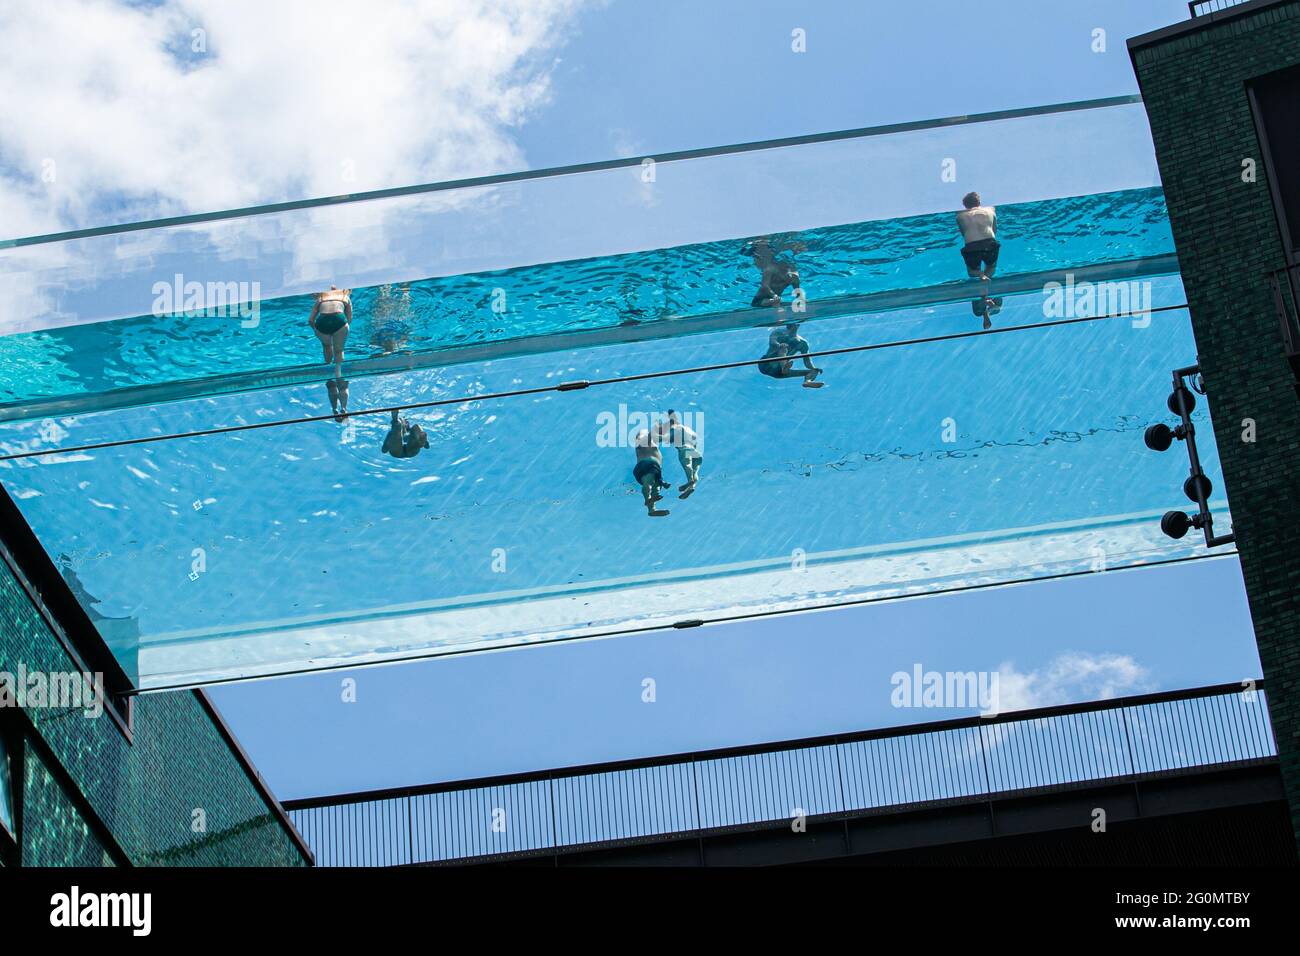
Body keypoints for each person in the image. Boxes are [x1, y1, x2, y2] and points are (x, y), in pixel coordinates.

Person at [956, 192, 1001, 330]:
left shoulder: (960, 215)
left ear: (964, 205)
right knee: (991, 268)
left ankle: (980, 275)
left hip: (972, 245)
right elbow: (995, 229)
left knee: (972, 272)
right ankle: (986, 303)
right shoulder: (990, 210)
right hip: (989, 242)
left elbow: (963, 232)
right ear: (979, 202)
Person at [653, 410, 703, 499]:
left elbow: (668, 438)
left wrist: (655, 437)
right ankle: (691, 487)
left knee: (687, 465)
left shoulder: (675, 428)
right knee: (695, 471)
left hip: (685, 449)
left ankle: (690, 481)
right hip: (697, 453)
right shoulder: (688, 429)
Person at [757, 323, 823, 387]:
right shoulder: (778, 332)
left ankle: (807, 381)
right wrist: (779, 345)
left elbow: (807, 362)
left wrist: (814, 368)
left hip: (779, 373)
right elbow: (772, 342)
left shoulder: (803, 343)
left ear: (798, 325)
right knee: (783, 347)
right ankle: (783, 367)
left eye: (794, 323)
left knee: (814, 371)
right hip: (766, 364)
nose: (790, 325)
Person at [746, 237, 804, 308]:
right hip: (759, 301)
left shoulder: (794, 275)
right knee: (774, 301)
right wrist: (774, 296)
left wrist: (800, 298)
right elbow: (765, 286)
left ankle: (776, 303)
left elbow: (797, 289)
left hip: (775, 300)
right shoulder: (770, 269)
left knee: (779, 302)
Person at [308, 286, 352, 374]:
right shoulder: (344, 297)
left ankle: (328, 368)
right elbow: (349, 318)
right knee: (339, 350)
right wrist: (342, 328)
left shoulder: (321, 298)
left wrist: (316, 330)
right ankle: (338, 374)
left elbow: (310, 320)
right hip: (339, 320)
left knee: (326, 346)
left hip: (322, 323)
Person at [632, 429, 671, 517]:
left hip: (648, 469)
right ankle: (648, 499)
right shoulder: (644, 441)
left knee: (656, 486)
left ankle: (651, 509)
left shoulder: (646, 445)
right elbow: (650, 436)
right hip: (649, 465)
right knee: (650, 482)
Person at [370, 283, 413, 355]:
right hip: (397, 320)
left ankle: (381, 286)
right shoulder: (401, 342)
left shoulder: (377, 342)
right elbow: (409, 352)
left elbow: (372, 350)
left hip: (383, 322)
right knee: (404, 305)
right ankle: (405, 292)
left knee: (382, 303)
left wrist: (383, 353)